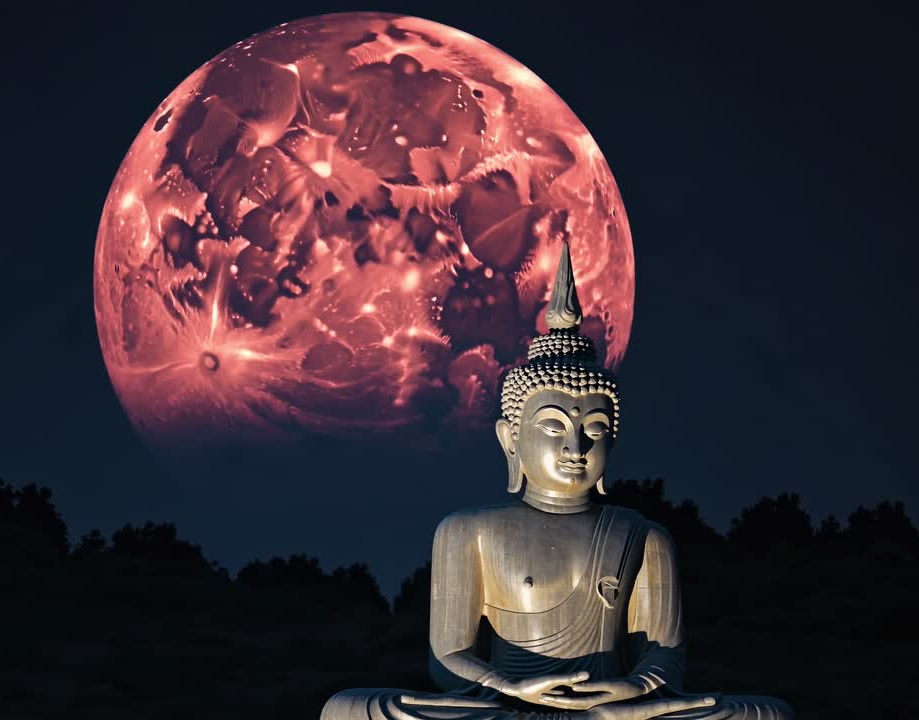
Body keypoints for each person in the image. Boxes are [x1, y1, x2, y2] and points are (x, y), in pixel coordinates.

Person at [321, 243, 792, 720]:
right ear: (510, 441)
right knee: (351, 709)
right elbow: (448, 659)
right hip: (508, 708)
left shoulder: (642, 536)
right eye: (553, 427)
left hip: (610, 714)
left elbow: (664, 658)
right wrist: (511, 687)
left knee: (765, 714)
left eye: (594, 430)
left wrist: (632, 691)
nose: (576, 449)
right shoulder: (467, 531)